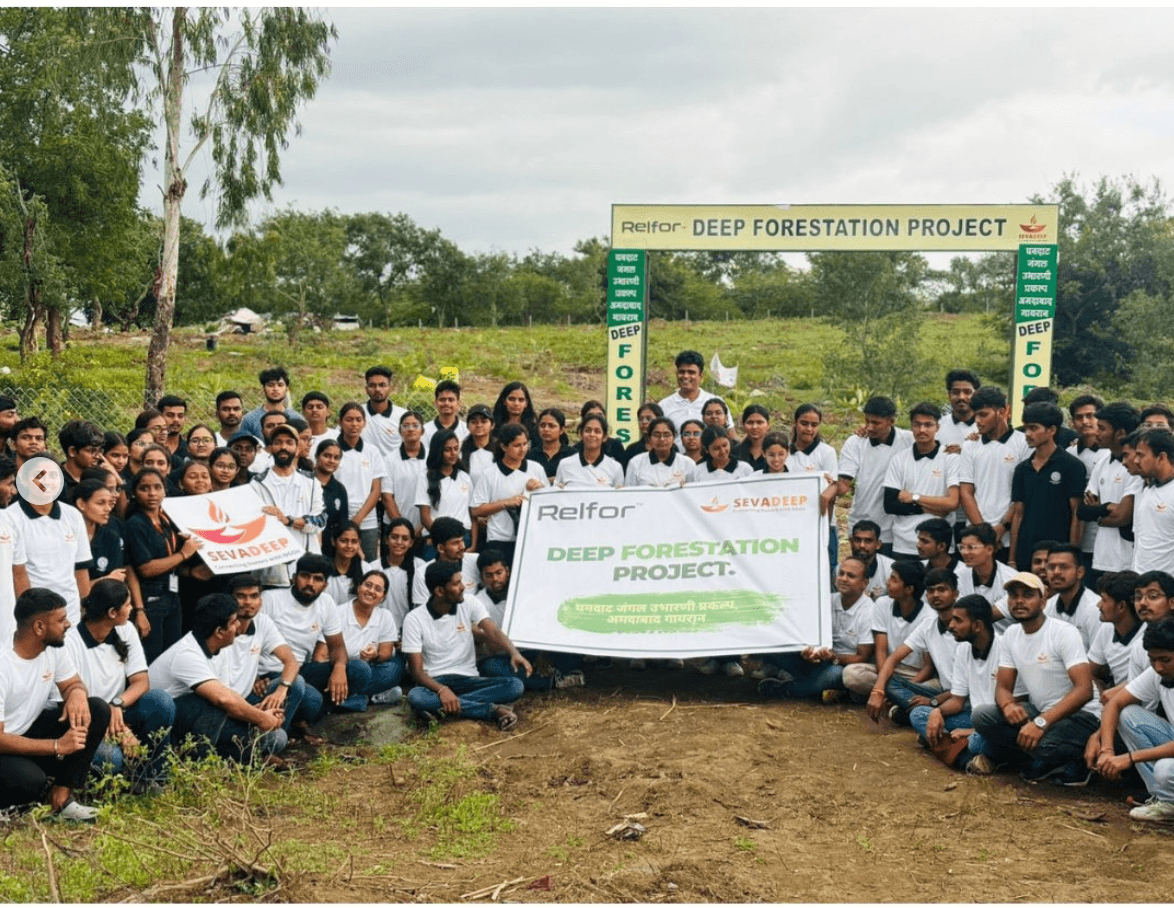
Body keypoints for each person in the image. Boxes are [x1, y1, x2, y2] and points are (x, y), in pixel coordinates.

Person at [971, 571, 1101, 786]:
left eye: (1027, 595)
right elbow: (1003, 688)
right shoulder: (1011, 634)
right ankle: (1044, 759)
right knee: (982, 716)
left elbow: (1084, 691)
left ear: (1043, 601)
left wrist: (1041, 723)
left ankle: (1076, 761)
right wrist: (1007, 706)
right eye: (1013, 596)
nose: (1019, 601)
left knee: (1045, 745)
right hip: (1042, 712)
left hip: (1082, 716)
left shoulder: (1063, 632)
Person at [0, 588, 111, 821]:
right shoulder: (4, 664)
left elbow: (72, 683)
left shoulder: (52, 648)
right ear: (39, 627)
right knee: (30, 781)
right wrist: (57, 746)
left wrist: (77, 693)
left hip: (28, 731)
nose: (69, 624)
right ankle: (20, 804)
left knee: (96, 708)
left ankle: (61, 797)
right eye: (61, 620)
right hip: (4, 745)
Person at [149, 593, 287, 762]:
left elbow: (228, 695)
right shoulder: (187, 654)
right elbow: (223, 700)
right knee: (209, 704)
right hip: (162, 726)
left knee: (274, 738)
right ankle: (196, 763)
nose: (239, 625)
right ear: (220, 632)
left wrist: (257, 712)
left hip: (196, 721)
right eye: (234, 621)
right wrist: (262, 718)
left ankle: (245, 759)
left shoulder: (219, 649)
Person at [63, 579, 174, 787]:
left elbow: (141, 682)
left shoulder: (126, 629)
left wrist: (117, 703)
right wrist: (115, 728)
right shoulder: (70, 642)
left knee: (161, 701)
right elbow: (76, 705)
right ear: (112, 612)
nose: (132, 609)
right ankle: (117, 782)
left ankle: (153, 777)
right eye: (128, 604)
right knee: (113, 760)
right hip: (88, 720)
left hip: (118, 713)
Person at [402, 560, 529, 730]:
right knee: (416, 696)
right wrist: (442, 690)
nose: (463, 587)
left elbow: (493, 630)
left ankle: (448, 707)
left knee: (515, 686)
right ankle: (492, 710)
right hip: (435, 683)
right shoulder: (414, 619)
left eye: (461, 581)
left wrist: (514, 652)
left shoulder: (469, 602)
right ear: (439, 591)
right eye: (456, 583)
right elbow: (416, 672)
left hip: (469, 680)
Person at [261, 554, 364, 730]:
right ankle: (276, 735)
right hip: (272, 673)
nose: (310, 583)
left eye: (317, 579)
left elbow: (337, 646)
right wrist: (255, 676)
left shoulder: (326, 602)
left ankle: (306, 716)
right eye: (305, 576)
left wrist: (339, 668)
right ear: (294, 577)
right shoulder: (270, 599)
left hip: (303, 669)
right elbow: (249, 640)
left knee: (359, 670)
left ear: (325, 585)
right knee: (311, 698)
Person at [757, 556, 874, 702]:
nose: (843, 579)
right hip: (820, 660)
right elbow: (808, 633)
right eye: (841, 573)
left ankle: (789, 689)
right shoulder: (827, 600)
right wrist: (808, 651)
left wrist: (834, 657)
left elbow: (862, 657)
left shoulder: (869, 611)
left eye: (851, 576)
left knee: (836, 674)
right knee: (776, 643)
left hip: (842, 666)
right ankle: (816, 686)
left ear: (864, 583)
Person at [909, 594, 1002, 776]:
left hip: (994, 724)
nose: (951, 626)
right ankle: (968, 757)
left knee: (977, 741)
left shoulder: (1005, 648)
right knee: (919, 714)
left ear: (977, 626)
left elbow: (1012, 708)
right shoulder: (963, 648)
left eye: (958, 620)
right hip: (970, 716)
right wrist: (938, 712)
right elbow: (958, 700)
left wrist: (971, 731)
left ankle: (947, 748)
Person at [1093, 616, 1174, 823]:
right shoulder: (1158, 674)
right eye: (1152, 659)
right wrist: (1107, 751)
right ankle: (1164, 800)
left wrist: (1129, 758)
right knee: (1128, 714)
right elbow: (1114, 704)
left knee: (1165, 769)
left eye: (1165, 659)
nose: (1158, 667)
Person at [473, 547, 585, 691]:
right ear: (482, 577)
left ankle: (548, 673)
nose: (495, 579)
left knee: (570, 652)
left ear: (507, 571)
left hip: (536, 649)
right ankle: (553, 681)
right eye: (489, 575)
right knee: (490, 668)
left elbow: (545, 623)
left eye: (499, 573)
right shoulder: (478, 601)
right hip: (508, 656)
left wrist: (543, 653)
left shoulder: (525, 592)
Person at [124, 468, 200, 663]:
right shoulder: (135, 524)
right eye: (145, 488)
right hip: (151, 596)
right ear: (134, 493)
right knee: (152, 655)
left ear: (165, 491)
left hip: (172, 593)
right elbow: (145, 568)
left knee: (172, 654)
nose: (152, 494)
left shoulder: (166, 520)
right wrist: (184, 553)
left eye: (157, 487)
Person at [9, 453, 92, 626]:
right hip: (33, 618)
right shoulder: (10, 518)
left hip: (71, 615)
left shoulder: (73, 515)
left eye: (54, 475)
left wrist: (86, 611)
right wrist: (29, 616)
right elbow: (18, 573)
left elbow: (81, 569)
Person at [865, 567, 957, 725]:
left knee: (919, 715)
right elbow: (893, 658)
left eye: (942, 590)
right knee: (888, 681)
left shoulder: (965, 625)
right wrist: (878, 691)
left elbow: (969, 686)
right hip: (942, 689)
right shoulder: (928, 625)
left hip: (964, 695)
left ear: (955, 594)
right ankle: (929, 713)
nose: (935, 595)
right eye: (931, 591)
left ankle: (925, 713)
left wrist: (933, 702)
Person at [219, 574, 305, 738]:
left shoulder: (262, 621)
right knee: (278, 740)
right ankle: (260, 743)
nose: (248, 602)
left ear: (261, 600)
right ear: (230, 599)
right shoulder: (221, 626)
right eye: (241, 596)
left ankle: (270, 733)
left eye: (254, 596)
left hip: (248, 696)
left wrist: (281, 689)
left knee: (296, 683)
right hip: (226, 704)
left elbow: (291, 661)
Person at [826, 396, 913, 555]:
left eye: (876, 423)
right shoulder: (855, 443)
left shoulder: (908, 440)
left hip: (896, 530)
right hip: (862, 526)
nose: (869, 427)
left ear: (891, 421)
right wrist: (828, 485)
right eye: (867, 421)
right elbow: (844, 484)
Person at [1008, 402, 1086, 570]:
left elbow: (1077, 515)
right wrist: (1012, 559)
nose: (1028, 434)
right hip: (1026, 552)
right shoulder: (1022, 469)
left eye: (1034, 428)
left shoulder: (1072, 466)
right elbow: (1018, 514)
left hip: (1058, 552)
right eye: (1026, 428)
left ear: (1051, 430)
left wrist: (1072, 556)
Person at [312, 569, 404, 709]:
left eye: (378, 589)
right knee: (360, 668)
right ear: (359, 586)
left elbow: (386, 652)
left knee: (395, 668)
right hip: (338, 671)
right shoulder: (338, 612)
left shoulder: (385, 616)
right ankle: (368, 698)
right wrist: (338, 668)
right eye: (368, 585)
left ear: (383, 596)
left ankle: (348, 699)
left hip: (368, 669)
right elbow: (319, 656)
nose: (371, 591)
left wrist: (375, 656)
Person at [842, 561, 933, 701]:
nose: (887, 582)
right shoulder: (883, 603)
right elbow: (881, 651)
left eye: (893, 579)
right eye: (890, 577)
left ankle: (893, 696)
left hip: (914, 673)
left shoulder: (929, 616)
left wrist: (905, 686)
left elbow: (927, 668)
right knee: (851, 674)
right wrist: (883, 683)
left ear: (909, 589)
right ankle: (898, 698)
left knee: (935, 687)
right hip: (887, 668)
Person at [882, 402, 960, 559]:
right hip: (904, 545)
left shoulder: (950, 459)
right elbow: (890, 505)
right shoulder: (899, 459)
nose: (922, 430)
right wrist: (932, 508)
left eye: (928, 425)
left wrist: (913, 497)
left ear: (937, 427)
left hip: (940, 546)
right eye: (917, 424)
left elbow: (952, 503)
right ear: (911, 426)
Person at [958, 385, 1028, 556]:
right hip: (976, 538)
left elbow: (1024, 494)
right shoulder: (969, 446)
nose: (978, 421)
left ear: (1002, 412)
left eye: (983, 414)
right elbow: (966, 492)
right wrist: (984, 532)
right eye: (975, 415)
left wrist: (1002, 527)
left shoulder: (1024, 443)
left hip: (1011, 536)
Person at [251, 424, 326, 580]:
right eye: (278, 442)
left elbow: (320, 521)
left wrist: (288, 520)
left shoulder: (311, 482)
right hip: (272, 571)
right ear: (270, 448)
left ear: (297, 448)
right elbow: (254, 527)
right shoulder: (257, 484)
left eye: (289, 442)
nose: (283, 447)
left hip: (307, 569)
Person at [470, 423, 548, 565]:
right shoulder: (490, 474)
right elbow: (476, 510)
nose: (523, 449)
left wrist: (541, 489)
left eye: (525, 444)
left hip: (530, 538)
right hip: (499, 540)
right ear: (504, 446)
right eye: (517, 445)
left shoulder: (536, 469)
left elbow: (549, 504)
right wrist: (505, 503)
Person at [1080, 402, 1143, 576]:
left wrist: (1098, 513)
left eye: (1102, 428)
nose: (1096, 433)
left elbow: (1123, 517)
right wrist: (1107, 508)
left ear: (1120, 433)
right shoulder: (1102, 463)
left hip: (1127, 561)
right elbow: (1083, 510)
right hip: (1101, 557)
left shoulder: (1136, 467)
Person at [336, 402, 389, 562]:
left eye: (358, 420)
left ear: (364, 423)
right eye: (349, 419)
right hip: (337, 519)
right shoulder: (332, 450)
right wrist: (346, 523)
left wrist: (357, 520)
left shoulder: (372, 451)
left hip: (367, 521)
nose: (354, 424)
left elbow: (376, 490)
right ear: (340, 422)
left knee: (368, 564)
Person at [416, 429, 475, 554]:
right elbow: (425, 516)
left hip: (463, 539)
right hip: (437, 541)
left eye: (456, 448)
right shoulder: (425, 477)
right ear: (438, 451)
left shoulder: (464, 477)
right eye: (447, 450)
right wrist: (442, 538)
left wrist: (473, 544)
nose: (453, 453)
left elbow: (472, 513)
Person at [1067, 394, 1108, 573]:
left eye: (1090, 415)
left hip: (1104, 539)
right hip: (1073, 538)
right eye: (1079, 417)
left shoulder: (1112, 455)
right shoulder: (1069, 453)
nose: (1085, 421)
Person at [1086, 571, 1142, 700]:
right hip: (1114, 702)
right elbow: (1089, 672)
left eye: (1104, 600)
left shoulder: (1148, 635)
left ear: (1121, 606)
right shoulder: (1107, 628)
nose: (1098, 605)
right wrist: (1102, 692)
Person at [657, 351, 733, 445]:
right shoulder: (664, 406)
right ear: (677, 374)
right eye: (682, 372)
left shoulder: (715, 404)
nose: (685, 376)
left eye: (691, 372)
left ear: (701, 376)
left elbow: (730, 434)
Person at [954, 523, 1016, 628]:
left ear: (989, 549)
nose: (964, 552)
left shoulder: (1012, 579)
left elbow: (987, 617)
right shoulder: (957, 576)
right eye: (962, 547)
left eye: (971, 547)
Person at [411, 517, 481, 609]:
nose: (462, 547)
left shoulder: (475, 561)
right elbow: (422, 612)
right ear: (440, 548)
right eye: (455, 543)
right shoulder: (422, 574)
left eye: (462, 541)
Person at [1131, 429, 1174, 575]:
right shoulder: (1147, 490)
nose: (1135, 460)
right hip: (1141, 582)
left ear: (1161, 457)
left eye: (1140, 455)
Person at [1044, 543, 1102, 649]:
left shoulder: (1096, 608)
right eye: (1051, 567)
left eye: (1064, 567)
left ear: (1080, 572)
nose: (1056, 572)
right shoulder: (1047, 606)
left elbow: (1099, 660)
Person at [555, 413, 624, 489]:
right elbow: (557, 495)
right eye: (587, 430)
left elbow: (618, 498)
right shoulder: (565, 465)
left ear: (604, 437)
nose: (592, 434)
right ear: (581, 434)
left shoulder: (615, 467)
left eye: (597, 431)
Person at [383, 410, 427, 529]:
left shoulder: (432, 457)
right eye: (406, 426)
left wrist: (425, 524)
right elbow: (387, 497)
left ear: (422, 431)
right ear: (400, 431)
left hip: (424, 526)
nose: (411, 429)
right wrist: (401, 527)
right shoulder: (389, 460)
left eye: (415, 425)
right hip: (395, 525)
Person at [624, 417, 695, 488]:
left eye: (667, 435)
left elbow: (693, 493)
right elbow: (630, 494)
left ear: (674, 438)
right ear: (649, 438)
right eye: (657, 435)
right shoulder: (636, 463)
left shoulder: (688, 463)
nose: (662, 439)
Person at [361, 366, 409, 459]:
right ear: (366, 389)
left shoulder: (403, 416)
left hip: (394, 470)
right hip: (364, 469)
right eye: (372, 385)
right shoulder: (356, 414)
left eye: (382, 385)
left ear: (390, 388)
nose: (377, 389)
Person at [240, 368, 299, 441]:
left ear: (286, 389)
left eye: (280, 385)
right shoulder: (249, 420)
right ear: (263, 388)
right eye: (271, 385)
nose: (275, 389)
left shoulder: (296, 418)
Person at [313, 439, 349, 557]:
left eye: (336, 458)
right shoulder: (304, 481)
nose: (331, 461)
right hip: (307, 543)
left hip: (330, 551)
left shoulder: (339, 489)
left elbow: (342, 523)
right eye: (327, 456)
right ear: (317, 456)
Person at [325, 523, 375, 607]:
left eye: (354, 542)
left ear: (359, 543)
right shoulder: (323, 567)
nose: (349, 546)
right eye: (343, 541)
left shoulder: (366, 568)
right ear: (333, 541)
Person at [848, 520, 894, 601]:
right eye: (857, 540)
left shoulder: (890, 569)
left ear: (878, 544)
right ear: (851, 542)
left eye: (868, 541)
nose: (862, 545)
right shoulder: (841, 570)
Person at [58, 420, 105, 497]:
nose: (97, 456)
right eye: (91, 451)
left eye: (99, 451)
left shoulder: (98, 478)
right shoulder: (55, 481)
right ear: (72, 451)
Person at [938, 370, 980, 455]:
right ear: (948, 395)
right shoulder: (937, 426)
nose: (961, 397)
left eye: (967, 392)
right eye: (955, 392)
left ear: (977, 394)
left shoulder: (988, 429)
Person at [529, 408, 572, 480]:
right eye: (542, 425)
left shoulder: (572, 455)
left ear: (561, 430)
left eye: (551, 426)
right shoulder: (530, 456)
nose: (546, 429)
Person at [422, 380, 468, 448]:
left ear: (458, 403)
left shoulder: (466, 431)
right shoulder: (425, 431)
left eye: (451, 400)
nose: (446, 403)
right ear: (435, 403)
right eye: (442, 400)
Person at [492, 381, 540, 446]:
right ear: (504, 401)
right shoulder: (493, 427)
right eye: (512, 399)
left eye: (521, 400)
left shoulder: (534, 430)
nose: (516, 404)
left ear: (526, 403)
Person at [460, 403, 496, 481]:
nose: (479, 425)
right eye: (474, 422)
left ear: (492, 425)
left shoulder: (501, 449)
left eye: (484, 421)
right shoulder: (461, 449)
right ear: (467, 426)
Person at [621, 402, 663, 466]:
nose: (644, 422)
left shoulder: (669, 447)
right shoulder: (632, 450)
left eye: (648, 419)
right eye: (641, 419)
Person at [732, 404, 770, 471]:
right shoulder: (734, 453)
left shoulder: (776, 451)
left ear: (768, 425)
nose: (754, 427)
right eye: (750, 422)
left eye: (759, 422)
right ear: (743, 425)